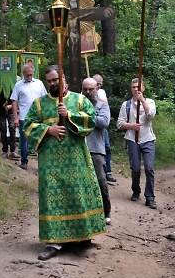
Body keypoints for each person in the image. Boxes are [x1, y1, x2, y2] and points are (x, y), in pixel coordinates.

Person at [23, 65, 106, 261]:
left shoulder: (79, 99)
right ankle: (54, 242)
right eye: (49, 81)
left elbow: (91, 120)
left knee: (77, 195)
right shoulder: (39, 104)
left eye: (55, 80)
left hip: (75, 160)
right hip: (50, 163)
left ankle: (83, 235)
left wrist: (69, 115)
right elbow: (28, 126)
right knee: (53, 198)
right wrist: (48, 130)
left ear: (63, 78)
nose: (52, 84)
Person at [117, 78, 157, 209]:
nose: (136, 89)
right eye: (133, 87)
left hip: (148, 139)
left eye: (138, 87)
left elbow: (150, 115)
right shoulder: (126, 105)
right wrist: (131, 126)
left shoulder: (150, 102)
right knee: (135, 168)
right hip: (132, 139)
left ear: (143, 89)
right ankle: (136, 190)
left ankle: (150, 197)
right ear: (131, 89)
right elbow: (119, 123)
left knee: (149, 168)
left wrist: (142, 101)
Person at [82, 77, 112, 226]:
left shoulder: (102, 105)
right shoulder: (76, 105)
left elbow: (104, 122)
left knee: (101, 181)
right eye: (85, 89)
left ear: (96, 89)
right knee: (81, 182)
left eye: (91, 89)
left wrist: (86, 114)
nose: (88, 92)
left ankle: (106, 211)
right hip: (79, 148)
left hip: (96, 149)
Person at [10, 63, 47, 170]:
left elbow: (45, 99)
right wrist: (16, 118)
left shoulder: (39, 83)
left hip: (38, 117)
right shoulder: (18, 85)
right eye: (27, 75)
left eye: (31, 74)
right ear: (23, 74)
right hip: (24, 117)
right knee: (24, 140)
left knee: (40, 138)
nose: (29, 77)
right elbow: (14, 102)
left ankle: (42, 162)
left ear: (33, 73)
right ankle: (24, 161)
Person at [93, 74, 116, 183]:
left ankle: (108, 172)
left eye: (100, 84)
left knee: (106, 147)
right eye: (97, 84)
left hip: (101, 123)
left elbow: (105, 103)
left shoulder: (101, 92)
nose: (99, 86)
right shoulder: (86, 90)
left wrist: (97, 97)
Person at [0, 92, 19, 159]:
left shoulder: (13, 85)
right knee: (3, 130)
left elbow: (17, 98)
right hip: (0, 110)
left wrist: (11, 105)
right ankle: (5, 151)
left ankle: (13, 151)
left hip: (11, 110)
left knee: (12, 128)